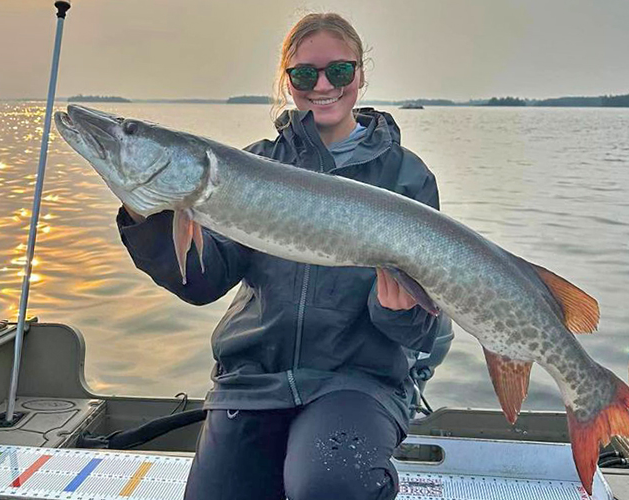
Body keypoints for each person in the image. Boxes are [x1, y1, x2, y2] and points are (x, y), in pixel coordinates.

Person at [117, 12, 451, 500]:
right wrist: (144, 213)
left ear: (360, 75)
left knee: (328, 486)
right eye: (304, 74)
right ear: (287, 80)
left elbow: (422, 321)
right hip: (254, 381)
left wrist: (396, 311)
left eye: (339, 71)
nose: (322, 85)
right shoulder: (251, 166)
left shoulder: (406, 177)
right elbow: (202, 281)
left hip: (357, 382)